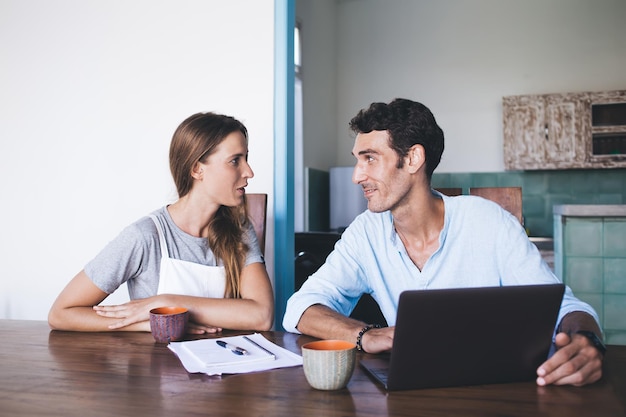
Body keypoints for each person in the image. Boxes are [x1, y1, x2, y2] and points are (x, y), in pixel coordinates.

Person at [283, 98, 604, 387]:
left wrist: (587, 340)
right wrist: (364, 335)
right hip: (408, 393)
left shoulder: (489, 222)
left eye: (370, 159)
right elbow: (300, 308)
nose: (357, 176)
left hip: (497, 390)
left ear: (412, 159)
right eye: (358, 160)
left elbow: (565, 308)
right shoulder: (365, 232)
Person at [49, 112, 274, 334]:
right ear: (197, 169)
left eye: (246, 158)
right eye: (235, 161)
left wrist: (167, 303)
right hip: (158, 368)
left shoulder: (239, 230)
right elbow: (61, 313)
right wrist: (145, 324)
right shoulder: (145, 236)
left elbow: (261, 316)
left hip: (226, 365)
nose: (249, 172)